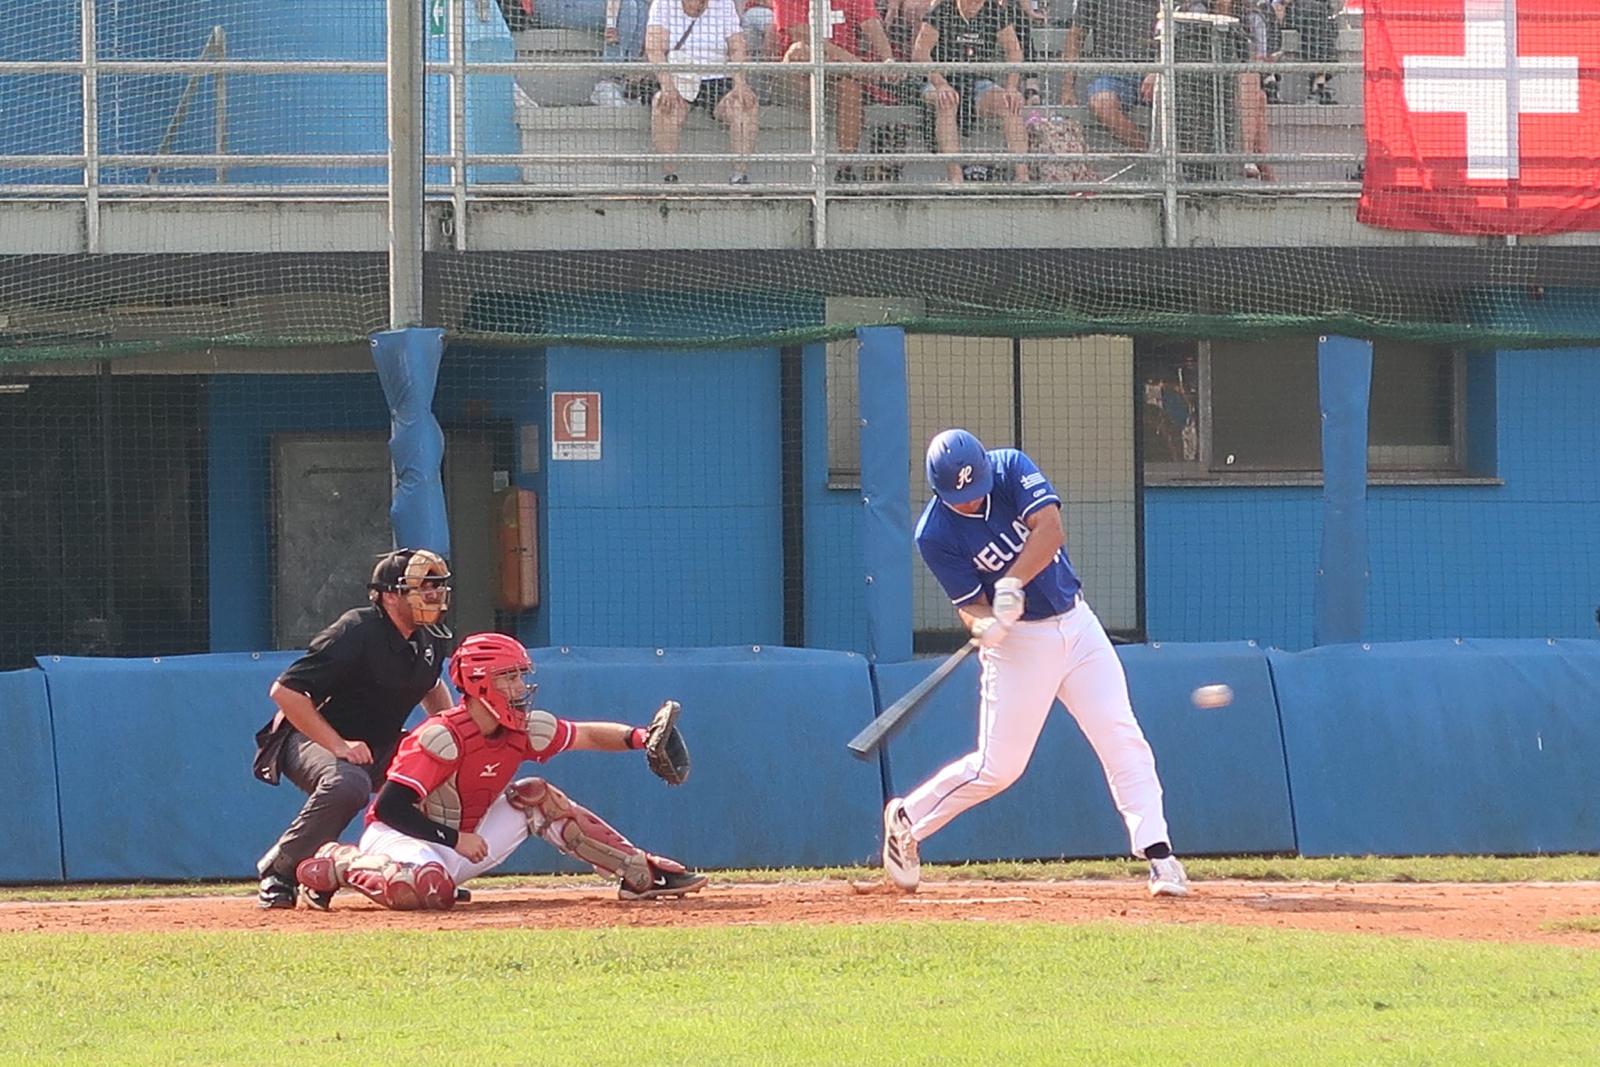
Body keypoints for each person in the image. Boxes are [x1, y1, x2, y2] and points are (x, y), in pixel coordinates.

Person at [881, 429, 1189, 898]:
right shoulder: (935, 534)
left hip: (1078, 625)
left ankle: (1160, 856)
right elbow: (969, 605)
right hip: (1020, 647)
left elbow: (1050, 530)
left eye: (974, 491)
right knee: (998, 769)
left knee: (1120, 734)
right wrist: (986, 625)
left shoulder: (1009, 468)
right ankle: (908, 822)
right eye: (958, 497)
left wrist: (1011, 582)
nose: (970, 502)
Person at [294, 632, 707, 909]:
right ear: (477, 683)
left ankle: (638, 871)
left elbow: (586, 735)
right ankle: (339, 862)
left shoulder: (521, 728)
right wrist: (454, 839)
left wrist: (638, 737)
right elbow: (390, 809)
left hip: (463, 843)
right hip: (403, 839)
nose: (519, 687)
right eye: (508, 677)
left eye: (519, 676)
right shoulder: (441, 735)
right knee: (428, 890)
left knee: (535, 794)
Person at [251, 548, 456, 909]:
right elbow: (286, 691)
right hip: (309, 737)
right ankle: (280, 869)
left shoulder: (431, 637)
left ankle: (425, 871)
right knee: (349, 783)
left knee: (442, 770)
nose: (434, 595)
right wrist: (339, 744)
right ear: (391, 595)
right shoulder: (357, 629)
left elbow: (431, 685)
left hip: (379, 744)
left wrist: (451, 738)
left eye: (437, 586)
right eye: (424, 587)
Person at [770, 0, 898, 181]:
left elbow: (869, 21)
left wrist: (888, 60)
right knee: (799, 51)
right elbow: (797, 30)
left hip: (837, 76)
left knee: (850, 85)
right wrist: (845, 59)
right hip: (796, 82)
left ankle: (845, 168)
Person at [912, 0, 1031, 183]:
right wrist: (941, 83)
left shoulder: (994, 10)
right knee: (947, 101)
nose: (975, 5)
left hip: (977, 81)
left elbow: (1014, 51)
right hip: (940, 79)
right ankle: (955, 176)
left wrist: (1012, 87)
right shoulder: (942, 9)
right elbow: (920, 52)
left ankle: (1023, 176)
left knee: (1009, 104)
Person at [646, 0, 762, 183]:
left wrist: (740, 84)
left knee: (745, 104)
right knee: (664, 105)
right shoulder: (663, 4)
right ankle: (670, 177)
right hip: (678, 78)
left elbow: (737, 45)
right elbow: (654, 48)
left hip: (717, 77)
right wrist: (667, 85)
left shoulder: (724, 4)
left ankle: (740, 176)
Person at [1059, 0, 1161, 151]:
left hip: (1161, 71)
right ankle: (1151, 155)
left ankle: (1185, 163)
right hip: (1115, 73)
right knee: (1101, 103)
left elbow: (1181, 28)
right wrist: (1068, 87)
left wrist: (1158, 70)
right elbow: (1076, 35)